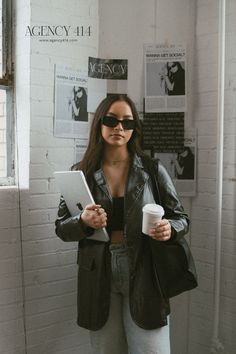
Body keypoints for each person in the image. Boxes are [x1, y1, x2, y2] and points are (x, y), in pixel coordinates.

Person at [55, 94, 189, 354]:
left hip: (145, 267)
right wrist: (83, 221)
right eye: (112, 120)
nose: (119, 127)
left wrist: (169, 228)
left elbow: (180, 217)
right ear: (100, 124)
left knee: (152, 350)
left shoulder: (152, 169)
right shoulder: (81, 172)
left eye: (127, 123)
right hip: (98, 272)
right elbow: (61, 227)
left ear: (134, 129)